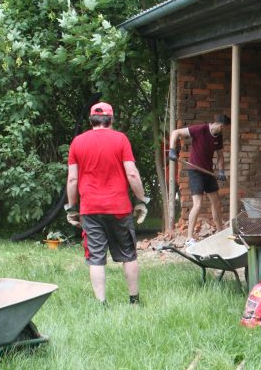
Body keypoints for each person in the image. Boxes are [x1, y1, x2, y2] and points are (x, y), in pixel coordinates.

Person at [65, 102, 150, 305]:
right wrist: (141, 200)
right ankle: (134, 302)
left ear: (91, 120)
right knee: (129, 255)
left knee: (96, 257)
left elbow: (72, 179)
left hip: (90, 209)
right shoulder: (120, 139)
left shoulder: (77, 142)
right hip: (119, 208)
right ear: (111, 119)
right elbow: (132, 173)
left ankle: (101, 304)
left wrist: (72, 207)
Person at [168, 114, 230, 246]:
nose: (224, 130)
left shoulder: (218, 136)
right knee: (198, 204)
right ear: (221, 126)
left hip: (208, 172)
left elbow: (220, 155)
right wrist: (172, 150)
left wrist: (221, 171)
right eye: (225, 128)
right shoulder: (200, 129)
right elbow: (176, 132)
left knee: (216, 202)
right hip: (195, 171)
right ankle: (189, 238)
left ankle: (220, 232)